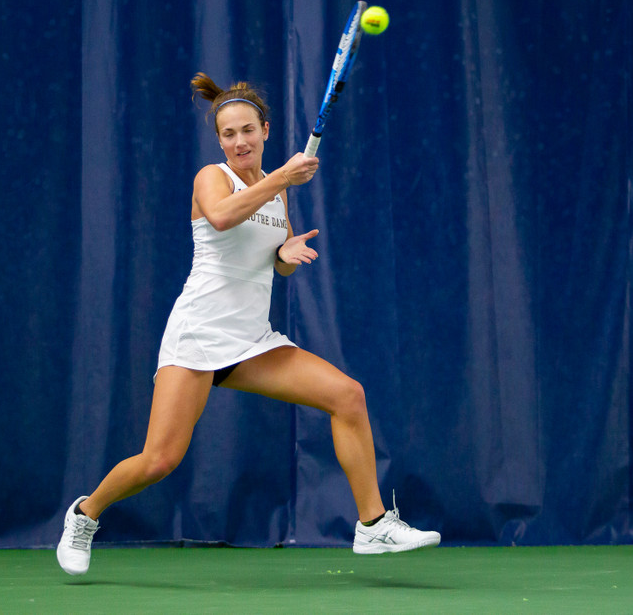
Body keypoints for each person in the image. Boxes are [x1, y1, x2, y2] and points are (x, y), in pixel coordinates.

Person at [57, 72, 440, 575]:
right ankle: (85, 515)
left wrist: (286, 252)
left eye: (247, 131)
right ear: (220, 141)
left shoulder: (274, 193)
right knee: (159, 460)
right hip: (199, 333)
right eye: (229, 134)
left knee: (348, 395)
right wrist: (283, 176)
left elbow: (271, 263)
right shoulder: (213, 177)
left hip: (251, 340)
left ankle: (372, 526)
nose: (239, 142)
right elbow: (219, 218)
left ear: (265, 129)